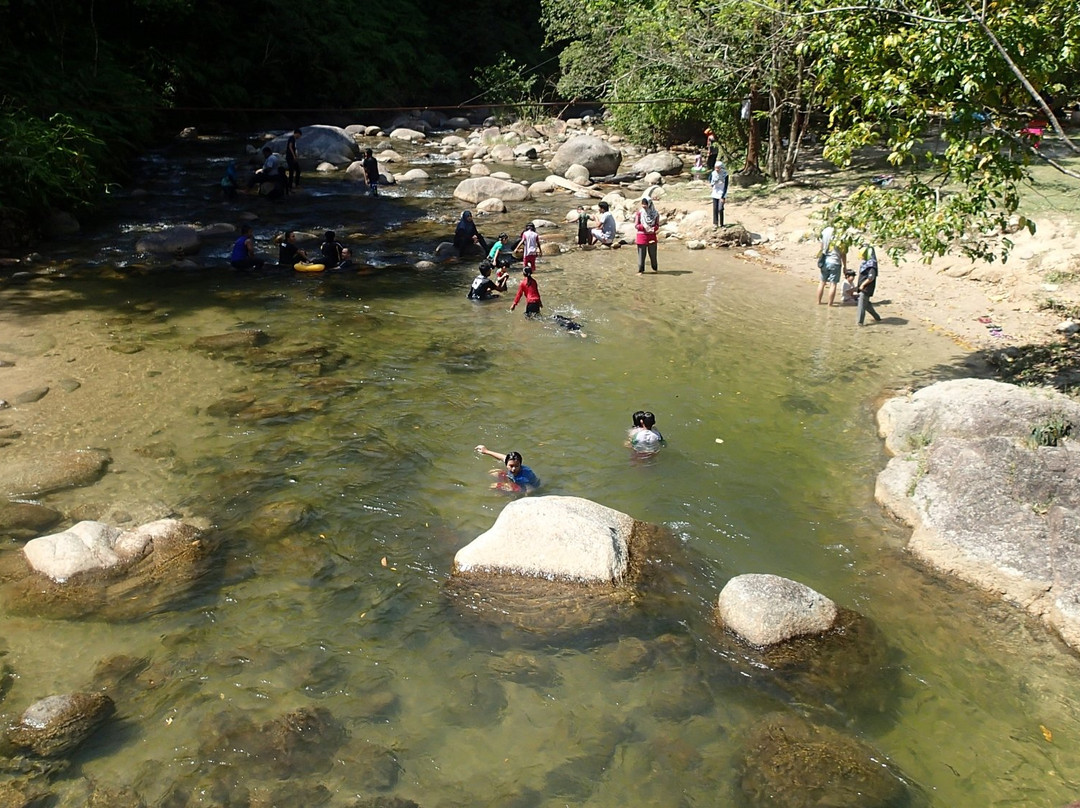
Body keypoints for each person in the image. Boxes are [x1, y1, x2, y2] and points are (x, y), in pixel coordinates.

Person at [474, 444, 541, 492]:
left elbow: (530, 489)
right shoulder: (510, 461)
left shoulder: (524, 477)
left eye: (516, 466)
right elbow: (503, 457)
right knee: (494, 472)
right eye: (511, 466)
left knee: (495, 485)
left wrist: (506, 486)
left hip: (523, 486)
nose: (514, 468)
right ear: (506, 464)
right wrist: (485, 451)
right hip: (512, 478)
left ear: (520, 464)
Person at [816, 225, 846, 306]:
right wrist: (845, 266)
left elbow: (821, 246)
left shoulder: (825, 231)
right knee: (833, 284)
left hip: (825, 261)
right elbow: (843, 252)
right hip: (835, 261)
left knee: (822, 282)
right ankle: (830, 304)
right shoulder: (841, 234)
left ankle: (818, 302)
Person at [855, 243, 882, 325]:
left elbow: (871, 277)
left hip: (866, 288)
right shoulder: (865, 263)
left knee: (861, 305)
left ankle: (859, 322)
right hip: (862, 287)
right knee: (866, 305)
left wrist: (862, 285)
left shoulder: (871, 264)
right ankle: (877, 317)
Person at [634, 196, 660, 273]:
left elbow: (657, 225)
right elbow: (636, 225)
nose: (644, 206)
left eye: (645, 204)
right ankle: (640, 271)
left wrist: (653, 229)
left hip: (652, 236)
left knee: (653, 256)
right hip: (642, 236)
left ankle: (655, 270)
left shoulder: (655, 214)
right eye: (642, 204)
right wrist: (644, 227)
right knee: (641, 256)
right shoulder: (639, 213)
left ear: (649, 204)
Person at [710, 161, 729, 228]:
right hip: (715, 192)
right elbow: (710, 180)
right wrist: (712, 185)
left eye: (718, 168)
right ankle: (715, 223)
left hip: (722, 192)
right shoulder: (713, 173)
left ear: (721, 168)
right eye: (716, 168)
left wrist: (723, 197)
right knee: (715, 208)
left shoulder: (725, 175)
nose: (717, 169)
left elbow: (726, 186)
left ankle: (722, 224)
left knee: (720, 209)